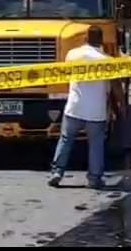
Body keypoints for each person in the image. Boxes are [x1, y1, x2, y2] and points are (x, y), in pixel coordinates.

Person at [48, 26, 123, 190]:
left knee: (66, 140)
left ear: (85, 38)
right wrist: (121, 106)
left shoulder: (72, 55)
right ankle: (94, 179)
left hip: (74, 107)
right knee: (96, 145)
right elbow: (116, 86)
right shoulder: (107, 60)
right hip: (96, 112)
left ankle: (57, 173)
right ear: (101, 40)